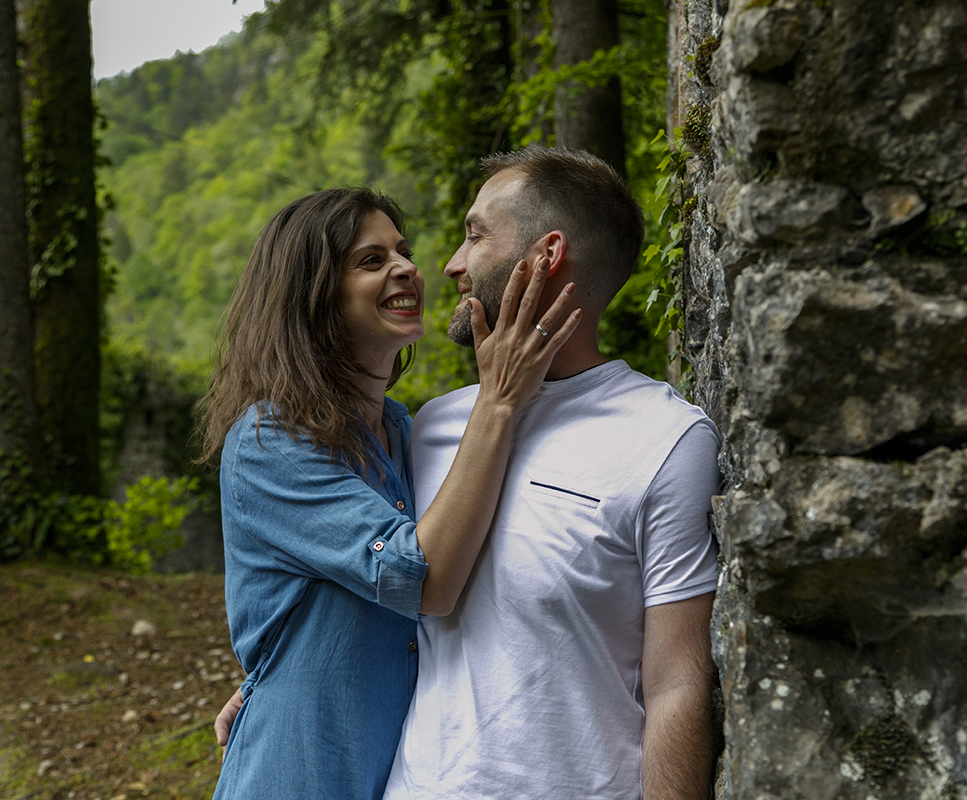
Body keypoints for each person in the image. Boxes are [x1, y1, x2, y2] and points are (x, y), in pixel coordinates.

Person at [216, 147, 720, 799]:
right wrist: (277, 676)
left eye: (473, 235)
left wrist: (280, 667)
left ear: (547, 255)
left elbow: (678, 683)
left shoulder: (661, 438)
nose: (436, 266)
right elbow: (410, 576)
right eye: (372, 260)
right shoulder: (421, 430)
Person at [197, 187, 580, 799]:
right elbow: (424, 581)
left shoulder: (406, 431)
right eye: (371, 260)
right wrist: (499, 399)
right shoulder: (270, 441)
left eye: (403, 252)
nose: (406, 268)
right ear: (314, 295)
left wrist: (272, 668)